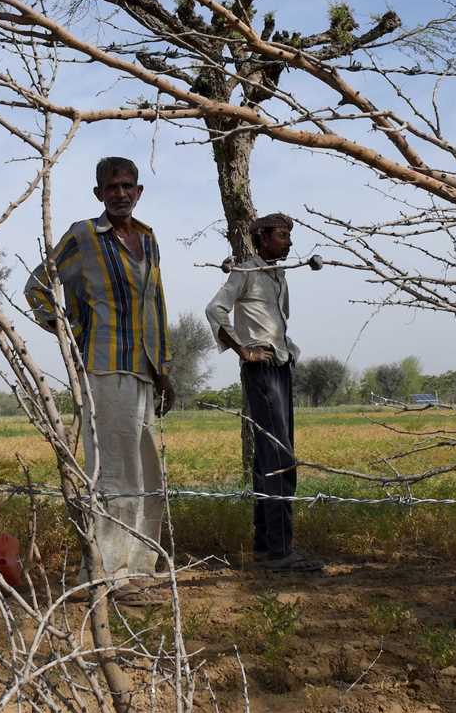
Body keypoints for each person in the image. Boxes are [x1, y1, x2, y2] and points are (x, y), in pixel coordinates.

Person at [25, 156, 176, 601]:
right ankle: (108, 575)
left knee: (148, 474)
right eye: (112, 187)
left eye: (128, 186)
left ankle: (141, 569)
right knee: (115, 474)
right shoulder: (83, 236)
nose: (121, 193)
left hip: (145, 369)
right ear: (98, 193)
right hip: (105, 367)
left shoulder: (148, 239)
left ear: (139, 191)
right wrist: (70, 328)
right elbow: (37, 286)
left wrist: (165, 369)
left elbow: (158, 305)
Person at [205, 212, 322, 573]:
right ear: (263, 239)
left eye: (289, 235)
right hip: (262, 367)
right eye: (283, 235)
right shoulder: (246, 273)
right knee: (280, 456)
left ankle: (265, 545)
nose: (289, 242)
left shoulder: (276, 274)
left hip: (280, 364)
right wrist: (243, 350)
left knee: (268, 457)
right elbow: (215, 309)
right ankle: (281, 550)